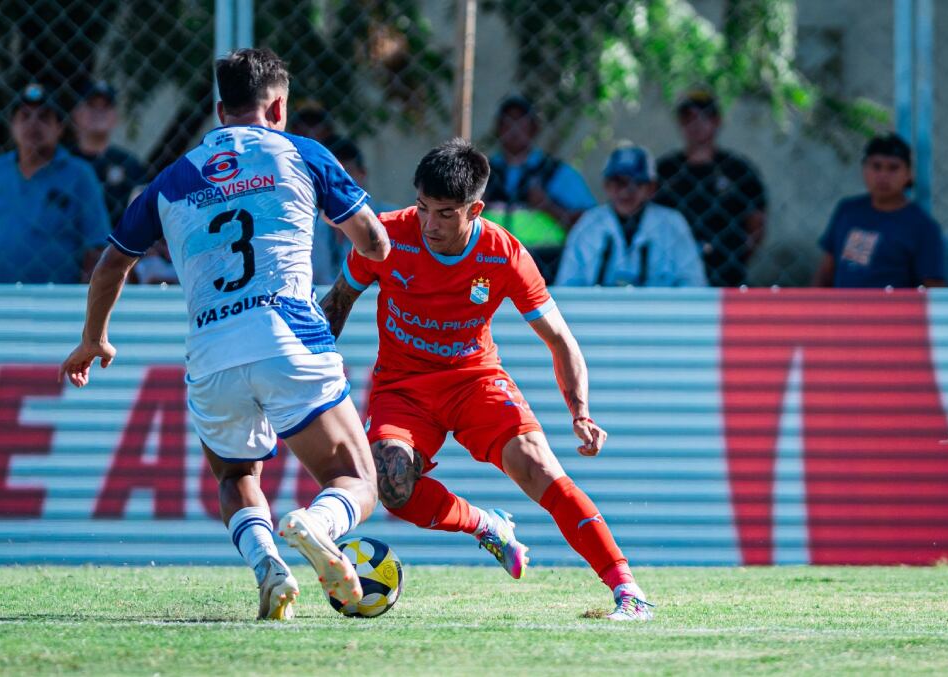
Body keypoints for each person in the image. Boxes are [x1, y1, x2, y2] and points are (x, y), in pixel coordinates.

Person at [59, 48, 390, 621]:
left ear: (218, 111)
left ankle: (268, 567)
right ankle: (316, 523)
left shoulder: (171, 179)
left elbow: (112, 264)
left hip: (211, 352)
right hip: (290, 336)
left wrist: (94, 338)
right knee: (355, 480)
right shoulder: (302, 153)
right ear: (279, 105)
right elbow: (374, 243)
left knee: (236, 476)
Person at [321, 139, 656, 621]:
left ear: (475, 209)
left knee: (539, 468)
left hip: (475, 380)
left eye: (444, 213)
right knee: (392, 487)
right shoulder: (386, 237)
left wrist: (580, 412)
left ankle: (628, 589)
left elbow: (560, 339)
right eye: (422, 208)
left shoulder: (504, 254)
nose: (429, 224)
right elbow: (337, 302)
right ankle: (485, 525)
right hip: (404, 388)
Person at [0, 84, 110, 283]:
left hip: (54, 302)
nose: (33, 124)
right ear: (12, 126)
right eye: (24, 116)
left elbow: (96, 247)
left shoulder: (80, 175)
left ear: (60, 128)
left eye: (44, 117)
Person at [654, 87, 767, 287]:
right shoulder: (666, 170)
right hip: (672, 274)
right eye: (689, 117)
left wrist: (737, 257)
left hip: (726, 273)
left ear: (717, 121)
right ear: (681, 123)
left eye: (705, 117)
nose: (697, 124)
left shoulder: (739, 170)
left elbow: (756, 223)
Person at [482, 95, 597, 281]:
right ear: (498, 129)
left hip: (545, 265)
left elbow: (590, 223)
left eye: (521, 122)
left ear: (534, 128)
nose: (514, 130)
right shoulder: (481, 173)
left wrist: (548, 206)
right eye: (507, 123)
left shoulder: (555, 173)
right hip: (488, 266)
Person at [557, 145, 706, 287]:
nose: (626, 191)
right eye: (618, 182)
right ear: (606, 185)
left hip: (658, 310)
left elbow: (693, 282)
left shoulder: (672, 223)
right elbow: (567, 283)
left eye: (637, 183)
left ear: (651, 188)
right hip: (598, 310)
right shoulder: (589, 224)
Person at [814, 133, 946, 288]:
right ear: (864, 169)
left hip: (893, 310)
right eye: (876, 167)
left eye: (893, 168)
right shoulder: (848, 211)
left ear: (909, 174)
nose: (883, 176)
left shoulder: (923, 227)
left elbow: (933, 287)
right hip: (844, 309)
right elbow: (826, 271)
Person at [311, 136, 398, 284]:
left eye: (347, 173)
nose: (337, 183)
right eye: (330, 175)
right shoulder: (308, 224)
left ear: (362, 173)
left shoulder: (390, 219)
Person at [70, 80, 146, 228]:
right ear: (76, 114)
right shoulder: (63, 161)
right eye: (91, 106)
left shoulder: (129, 163)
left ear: (114, 117)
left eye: (106, 107)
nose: (99, 112)